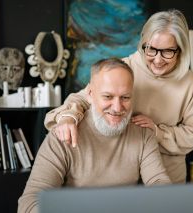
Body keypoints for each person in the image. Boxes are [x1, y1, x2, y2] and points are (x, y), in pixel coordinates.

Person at [45, 9, 193, 183]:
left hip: (167, 176)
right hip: (122, 173)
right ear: (143, 43)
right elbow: (84, 98)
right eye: (151, 49)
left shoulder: (190, 83)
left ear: (180, 50)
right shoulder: (124, 69)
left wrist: (157, 132)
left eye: (168, 51)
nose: (158, 60)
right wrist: (68, 117)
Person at [18, 58, 170, 213]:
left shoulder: (143, 134)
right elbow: (29, 203)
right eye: (108, 97)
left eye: (125, 97)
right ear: (90, 94)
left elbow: (160, 184)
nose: (117, 108)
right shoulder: (63, 133)